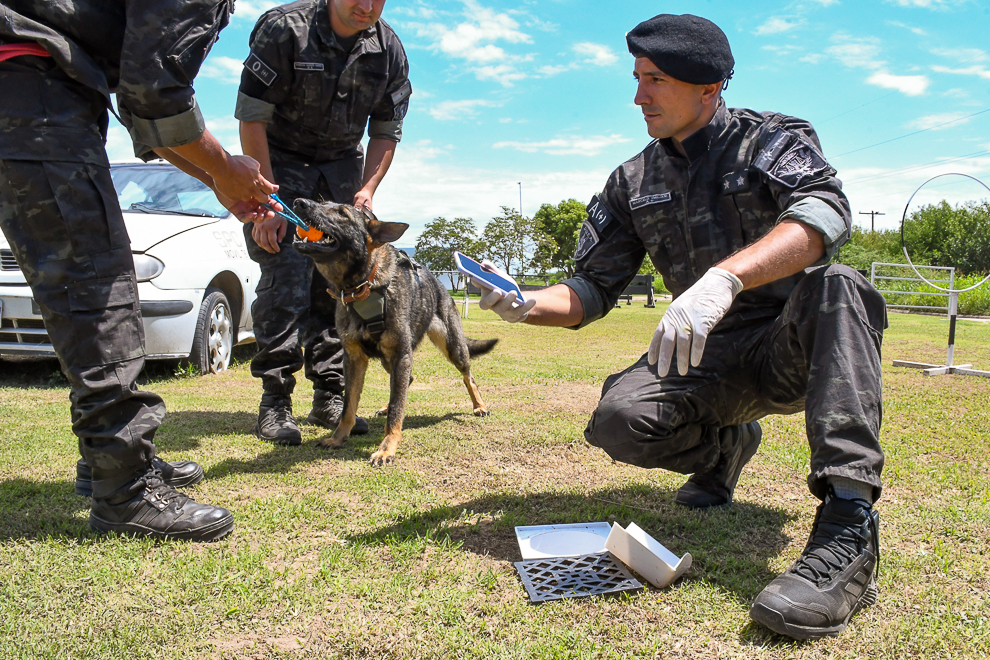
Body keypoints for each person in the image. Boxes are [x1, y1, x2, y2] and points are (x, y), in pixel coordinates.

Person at [474, 14, 886, 641]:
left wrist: (724, 279)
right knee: (618, 420)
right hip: (704, 358)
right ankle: (726, 450)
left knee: (839, 284)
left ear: (707, 87)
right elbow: (591, 289)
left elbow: (822, 213)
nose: (638, 97)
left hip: (792, 346)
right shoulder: (632, 180)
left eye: (655, 80)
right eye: (637, 78)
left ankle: (849, 523)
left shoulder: (770, 140)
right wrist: (527, 302)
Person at [0, 0, 280, 541]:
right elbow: (156, 92)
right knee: (98, 290)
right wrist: (225, 166)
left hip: (33, 79)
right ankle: (125, 489)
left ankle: (103, 463)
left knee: (81, 291)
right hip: (28, 84)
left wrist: (217, 178)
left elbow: (140, 105)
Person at [235, 0, 411, 445]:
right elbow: (252, 115)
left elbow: (386, 131)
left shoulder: (388, 49)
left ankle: (330, 395)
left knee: (341, 284)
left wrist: (368, 189)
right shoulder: (284, 29)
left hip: (341, 170)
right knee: (285, 276)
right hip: (279, 165)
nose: (367, 6)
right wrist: (268, 200)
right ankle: (275, 401)